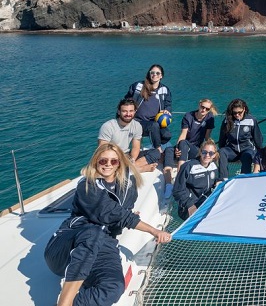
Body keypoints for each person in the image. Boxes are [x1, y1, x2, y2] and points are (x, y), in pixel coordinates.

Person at [44, 143, 171, 306]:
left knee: (114, 287)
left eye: (114, 161)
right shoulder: (87, 186)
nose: (108, 165)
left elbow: (124, 211)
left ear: (120, 163)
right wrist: (154, 231)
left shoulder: (128, 186)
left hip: (104, 243)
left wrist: (129, 214)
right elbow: (115, 213)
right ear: (96, 162)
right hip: (64, 248)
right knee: (93, 232)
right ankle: (65, 303)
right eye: (103, 161)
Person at [125, 64, 175, 185]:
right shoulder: (138, 86)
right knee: (154, 127)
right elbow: (126, 100)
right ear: (149, 73)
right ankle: (158, 151)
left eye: (157, 73)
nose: (154, 75)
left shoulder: (164, 90)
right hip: (137, 122)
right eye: (152, 72)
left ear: (161, 76)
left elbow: (168, 104)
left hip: (156, 120)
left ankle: (155, 147)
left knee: (167, 135)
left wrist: (167, 110)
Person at [98, 98, 157, 173]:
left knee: (156, 153)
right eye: (124, 111)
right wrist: (116, 159)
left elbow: (136, 147)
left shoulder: (137, 126)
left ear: (135, 111)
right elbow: (102, 150)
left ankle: (131, 167)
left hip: (126, 155)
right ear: (119, 112)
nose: (128, 114)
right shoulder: (108, 126)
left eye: (131, 111)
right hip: (112, 157)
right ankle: (138, 169)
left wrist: (132, 159)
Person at [172, 139, 221, 220]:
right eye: (204, 152)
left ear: (215, 155)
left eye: (211, 153)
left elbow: (211, 180)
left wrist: (217, 181)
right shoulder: (188, 166)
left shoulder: (214, 166)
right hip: (189, 206)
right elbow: (177, 191)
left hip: (205, 202)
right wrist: (190, 206)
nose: (207, 155)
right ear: (200, 152)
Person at [217, 98, 263, 179]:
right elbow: (222, 139)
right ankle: (223, 179)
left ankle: (243, 179)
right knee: (221, 152)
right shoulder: (227, 121)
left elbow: (258, 138)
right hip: (232, 150)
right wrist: (222, 148)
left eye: (239, 112)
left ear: (244, 109)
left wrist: (260, 152)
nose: (237, 115)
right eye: (234, 113)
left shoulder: (251, 120)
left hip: (247, 149)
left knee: (247, 156)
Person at [167, 98, 217, 169]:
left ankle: (180, 172)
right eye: (203, 107)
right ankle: (167, 175)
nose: (204, 110)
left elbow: (207, 136)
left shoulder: (210, 118)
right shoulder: (188, 116)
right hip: (184, 145)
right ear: (199, 105)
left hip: (196, 149)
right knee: (169, 150)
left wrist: (211, 147)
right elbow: (183, 134)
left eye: (207, 109)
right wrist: (177, 148)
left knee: (184, 143)